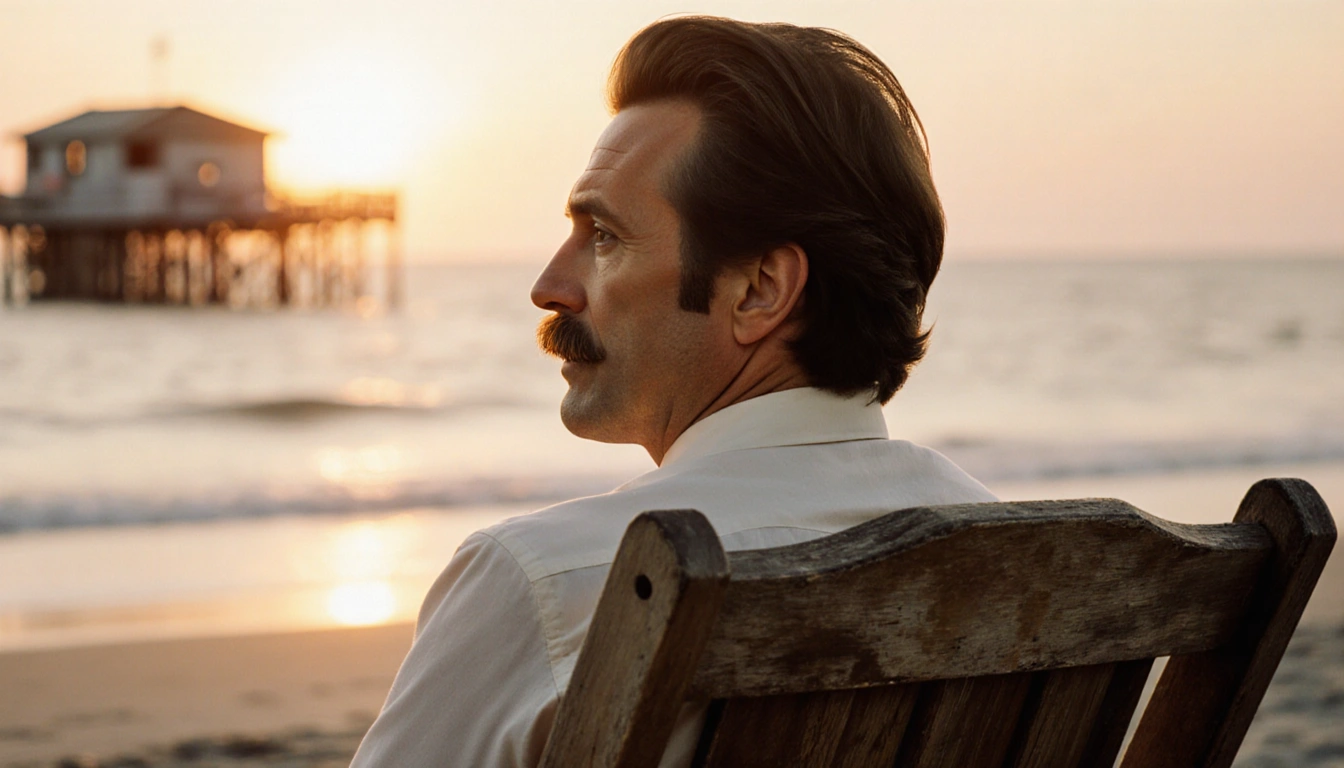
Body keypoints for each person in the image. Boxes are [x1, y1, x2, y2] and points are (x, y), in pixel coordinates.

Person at [351, 15, 994, 767]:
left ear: (759, 290)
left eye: (604, 237)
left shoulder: (555, 584)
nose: (550, 287)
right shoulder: (1020, 563)